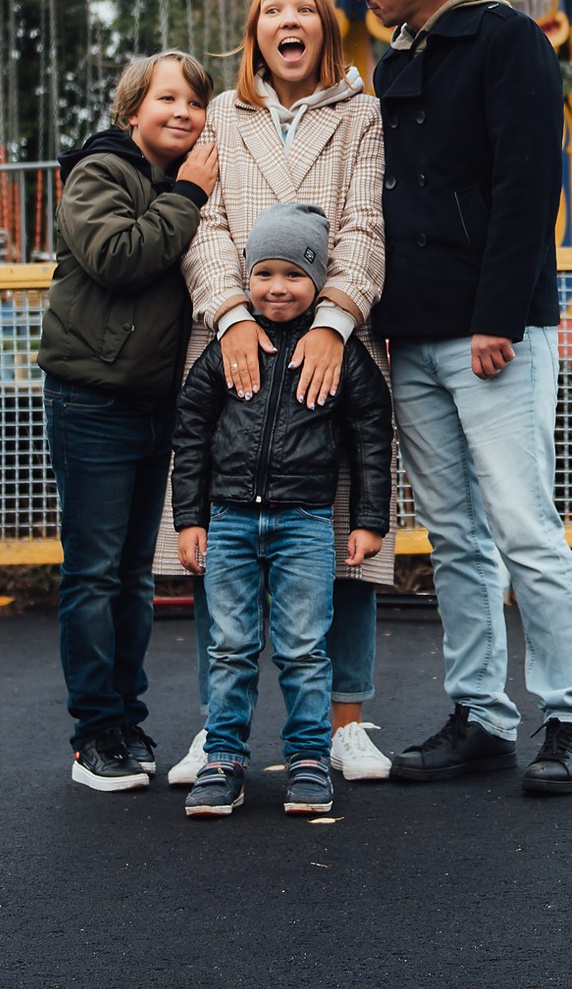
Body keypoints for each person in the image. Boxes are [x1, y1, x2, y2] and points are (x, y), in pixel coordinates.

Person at [342, 0, 572, 796]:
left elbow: (529, 186)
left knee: (524, 525)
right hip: (414, 327)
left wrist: (500, 314)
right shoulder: (402, 55)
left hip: (491, 329)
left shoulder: (508, 40)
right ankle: (483, 713)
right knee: (454, 533)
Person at [155, 0, 399, 787]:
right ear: (254, 31)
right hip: (234, 345)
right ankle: (217, 730)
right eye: (271, 9)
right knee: (220, 545)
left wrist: (333, 321)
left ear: (326, 28)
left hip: (336, 339)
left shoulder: (361, 114)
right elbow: (204, 226)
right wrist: (231, 315)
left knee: (344, 542)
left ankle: (346, 720)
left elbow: (365, 224)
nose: (287, 20)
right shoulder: (222, 115)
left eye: (303, 8)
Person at [172, 205, 394, 818]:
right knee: (231, 646)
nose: (276, 287)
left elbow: (371, 436)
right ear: (246, 277)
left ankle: (307, 758)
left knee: (303, 647)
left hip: (304, 524)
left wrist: (369, 521)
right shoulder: (224, 352)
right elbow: (190, 435)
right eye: (263, 273)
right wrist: (190, 518)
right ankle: (223, 759)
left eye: (293, 275)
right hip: (230, 520)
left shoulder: (343, 357)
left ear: (318, 281)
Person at [36, 50, 218, 793]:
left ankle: (125, 720)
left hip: (153, 400)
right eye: (167, 98)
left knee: (135, 579)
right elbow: (117, 255)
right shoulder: (98, 172)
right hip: (94, 396)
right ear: (132, 108)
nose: (183, 112)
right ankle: (92, 736)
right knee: (93, 573)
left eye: (195, 102)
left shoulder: (175, 182)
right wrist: (188, 196)